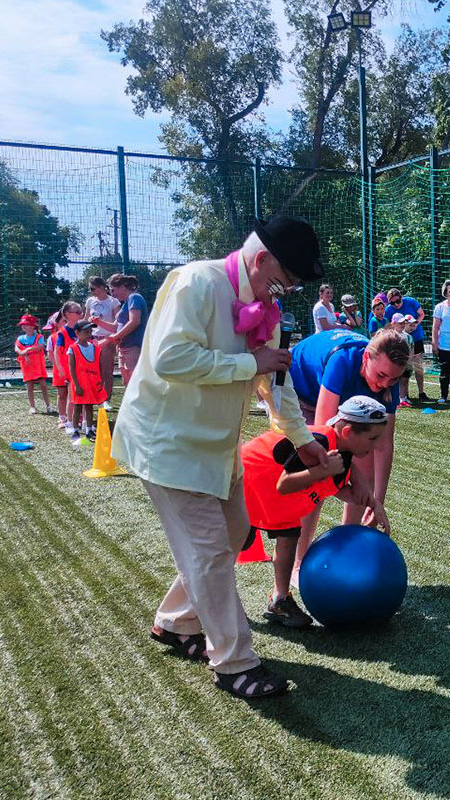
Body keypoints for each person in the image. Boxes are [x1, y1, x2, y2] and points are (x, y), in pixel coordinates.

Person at [112, 215, 327, 701]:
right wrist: (250, 363)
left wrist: (302, 439)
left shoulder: (263, 308)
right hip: (167, 444)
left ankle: (175, 622)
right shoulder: (197, 282)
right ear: (259, 260)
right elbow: (169, 358)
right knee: (209, 551)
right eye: (283, 280)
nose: (283, 292)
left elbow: (276, 383)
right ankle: (234, 664)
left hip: (214, 447)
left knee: (234, 534)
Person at [240, 395, 392, 628]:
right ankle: (208, 602)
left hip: (272, 495)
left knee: (290, 537)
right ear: (349, 432)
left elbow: (342, 488)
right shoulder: (318, 441)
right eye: (372, 439)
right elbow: (285, 484)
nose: (374, 446)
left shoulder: (343, 454)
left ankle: (279, 600)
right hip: (247, 482)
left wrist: (373, 504)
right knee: (229, 546)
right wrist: (322, 472)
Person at [287, 327, 410, 578]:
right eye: (382, 375)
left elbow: (383, 444)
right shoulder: (342, 361)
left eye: (393, 379)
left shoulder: (389, 379)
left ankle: (346, 552)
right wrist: (349, 479)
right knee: (315, 479)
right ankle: (297, 565)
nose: (384, 384)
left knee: (363, 462)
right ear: (366, 358)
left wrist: (376, 500)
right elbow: (323, 439)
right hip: (299, 389)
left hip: (343, 397)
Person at [101, 273, 149, 388]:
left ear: (122, 287)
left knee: (135, 383)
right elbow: (115, 327)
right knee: (127, 383)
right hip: (124, 348)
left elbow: (135, 321)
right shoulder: (125, 303)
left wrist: (116, 336)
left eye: (113, 290)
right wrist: (98, 322)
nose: (112, 294)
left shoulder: (134, 298)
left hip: (134, 347)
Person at [384, 287, 429, 402]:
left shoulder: (411, 301)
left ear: (401, 297)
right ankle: (404, 395)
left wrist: (414, 325)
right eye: (392, 302)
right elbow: (388, 325)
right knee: (403, 367)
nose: (396, 304)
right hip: (401, 341)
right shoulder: (389, 309)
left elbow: (421, 314)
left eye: (398, 301)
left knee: (417, 365)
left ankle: (421, 392)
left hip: (416, 338)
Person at [67, 321, 105, 444]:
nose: (89, 334)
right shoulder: (72, 349)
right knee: (77, 407)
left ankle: (89, 430)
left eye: (90, 332)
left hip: (92, 384)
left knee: (89, 407)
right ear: (77, 333)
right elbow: (71, 368)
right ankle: (75, 430)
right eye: (86, 332)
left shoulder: (95, 348)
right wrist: (76, 385)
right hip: (79, 384)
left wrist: (101, 381)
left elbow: (100, 367)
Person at [84, 276, 121, 402]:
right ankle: (96, 397)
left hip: (107, 339)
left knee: (106, 370)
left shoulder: (113, 302)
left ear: (101, 287)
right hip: (92, 339)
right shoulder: (90, 301)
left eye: (92, 288)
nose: (91, 291)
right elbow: (85, 319)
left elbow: (117, 324)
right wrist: (89, 323)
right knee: (94, 370)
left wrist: (99, 322)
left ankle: (106, 399)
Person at [52, 302, 84, 435]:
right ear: (67, 315)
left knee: (83, 397)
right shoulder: (63, 333)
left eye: (81, 311)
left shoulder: (82, 329)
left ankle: (83, 422)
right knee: (72, 397)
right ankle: (69, 422)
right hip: (71, 371)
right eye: (77, 312)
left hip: (84, 369)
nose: (80, 314)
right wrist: (60, 369)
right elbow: (56, 352)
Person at [14, 314, 53, 415]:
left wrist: (28, 349)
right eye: (22, 325)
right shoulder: (21, 338)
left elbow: (40, 346)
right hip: (27, 366)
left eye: (26, 324)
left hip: (38, 366)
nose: (24, 326)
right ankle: (32, 406)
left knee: (43, 385)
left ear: (32, 326)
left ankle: (48, 405)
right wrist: (22, 353)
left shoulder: (39, 337)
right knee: (29, 386)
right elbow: (17, 348)